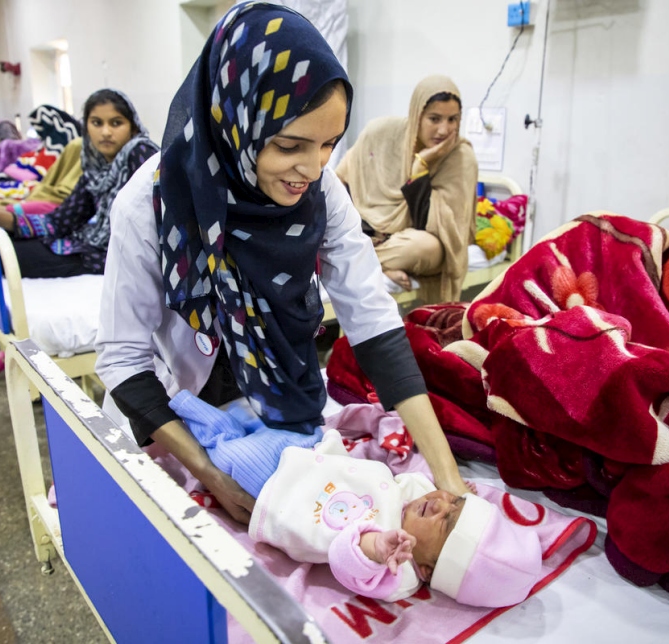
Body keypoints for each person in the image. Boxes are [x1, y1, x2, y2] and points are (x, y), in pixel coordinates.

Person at [95, 2, 470, 527]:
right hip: (174, 416)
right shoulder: (151, 205)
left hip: (276, 399)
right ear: (236, 120)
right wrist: (214, 477)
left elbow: (370, 316)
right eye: (289, 145)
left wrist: (447, 477)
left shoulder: (321, 190)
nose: (312, 169)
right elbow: (123, 362)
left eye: (329, 144)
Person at [166, 389, 543, 606]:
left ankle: (178, 401)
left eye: (445, 523)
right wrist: (465, 495)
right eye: (454, 505)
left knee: (230, 450)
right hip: (311, 449)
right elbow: (418, 480)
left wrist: (376, 548)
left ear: (427, 569)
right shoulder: (416, 498)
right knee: (260, 418)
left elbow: (348, 564)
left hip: (276, 492)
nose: (441, 505)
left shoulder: (400, 570)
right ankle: (224, 409)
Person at [0, 89, 158, 278]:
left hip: (118, 257)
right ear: (86, 127)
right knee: (3, 243)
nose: (105, 132)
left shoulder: (140, 154)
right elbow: (61, 220)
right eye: (97, 123)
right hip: (93, 243)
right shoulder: (95, 167)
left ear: (132, 127)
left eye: (116, 123)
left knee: (1, 256)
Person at [334, 75, 478, 303]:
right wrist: (355, 229)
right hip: (368, 234)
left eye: (453, 120)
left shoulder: (460, 157)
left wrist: (420, 167)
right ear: (416, 115)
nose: (444, 130)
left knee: (424, 247)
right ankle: (375, 263)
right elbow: (339, 182)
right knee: (329, 231)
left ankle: (364, 262)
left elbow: (442, 232)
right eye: (434, 119)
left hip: (416, 244)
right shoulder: (383, 133)